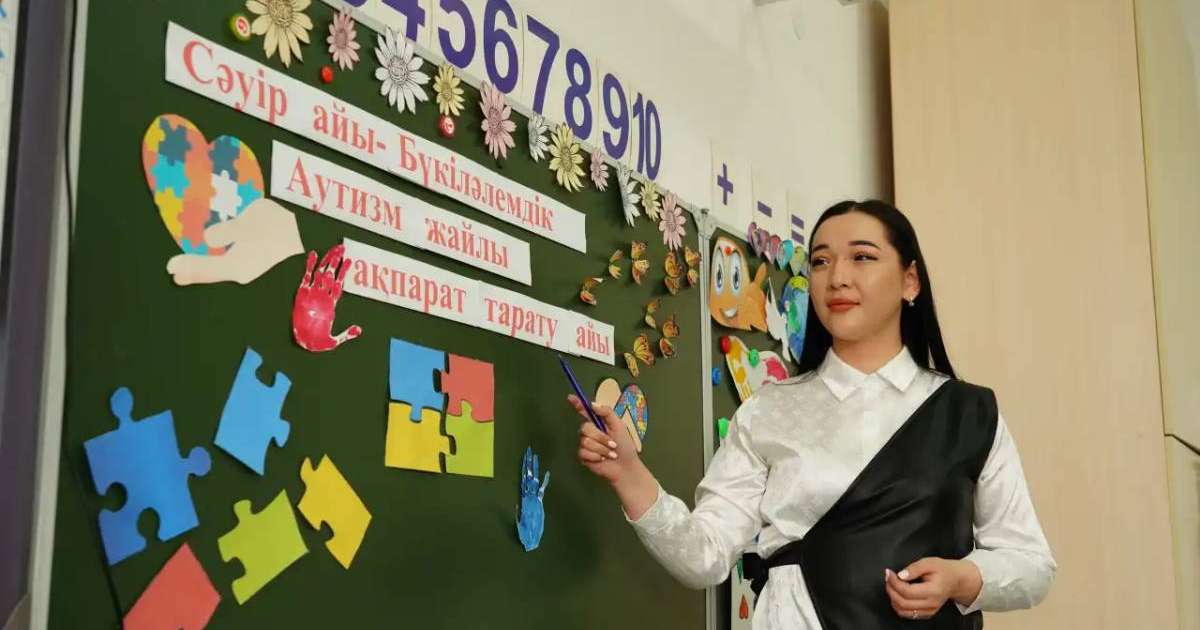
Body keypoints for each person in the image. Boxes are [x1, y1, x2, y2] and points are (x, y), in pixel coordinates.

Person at [568, 200, 1055, 629]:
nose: (837, 277)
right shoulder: (770, 410)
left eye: (862, 257)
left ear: (910, 281)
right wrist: (627, 471)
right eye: (820, 261)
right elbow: (704, 555)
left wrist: (963, 577)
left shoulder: (968, 413)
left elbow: (1032, 565)